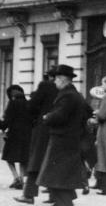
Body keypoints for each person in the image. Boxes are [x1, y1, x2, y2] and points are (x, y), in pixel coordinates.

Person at [36, 65, 90, 206]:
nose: (54, 82)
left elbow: (59, 116)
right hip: (69, 142)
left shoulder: (67, 95)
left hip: (62, 143)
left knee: (58, 183)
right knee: (59, 184)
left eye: (56, 79)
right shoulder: (75, 95)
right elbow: (87, 112)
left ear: (61, 79)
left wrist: (47, 117)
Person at [15, 69, 57, 204]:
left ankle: (29, 194)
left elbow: (32, 106)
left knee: (35, 161)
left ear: (50, 76)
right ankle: (54, 195)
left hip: (43, 128)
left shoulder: (45, 85)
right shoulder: (69, 89)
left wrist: (35, 119)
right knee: (53, 161)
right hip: (59, 128)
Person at [0, 84, 32, 189]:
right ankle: (22, 180)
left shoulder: (12, 103)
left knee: (9, 158)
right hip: (27, 135)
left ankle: (16, 178)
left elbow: (6, 121)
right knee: (23, 159)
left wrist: (2, 125)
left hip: (14, 135)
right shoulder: (28, 103)